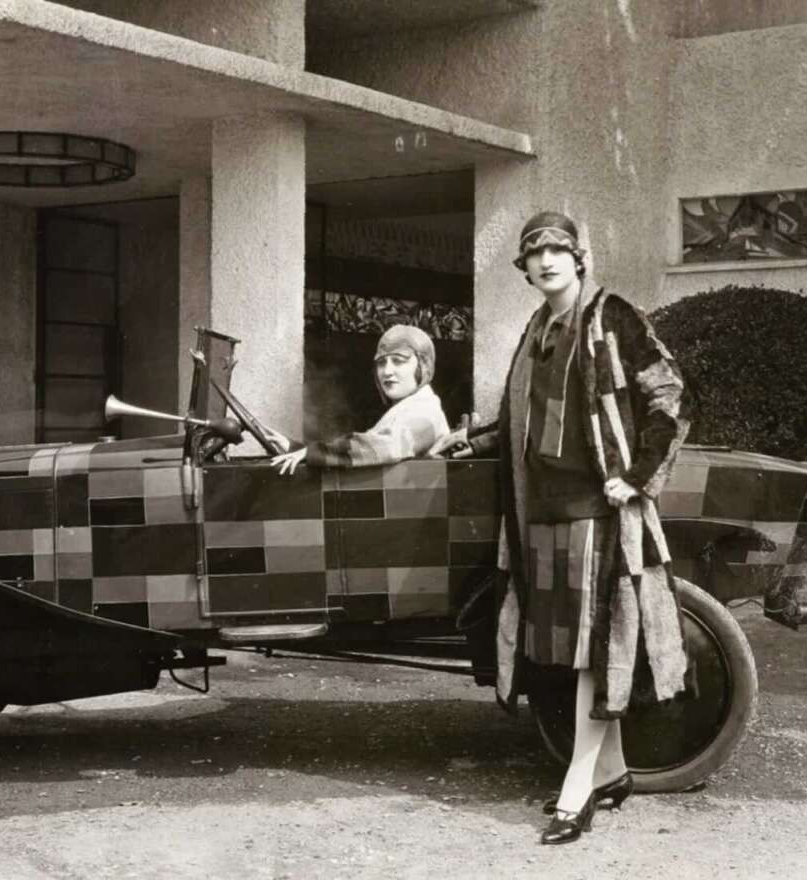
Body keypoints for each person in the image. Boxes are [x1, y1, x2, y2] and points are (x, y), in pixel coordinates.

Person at [437, 211, 691, 845]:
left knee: (592, 654)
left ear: (580, 257)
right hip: (540, 515)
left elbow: (673, 397)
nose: (547, 261)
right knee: (565, 654)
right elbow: (526, 418)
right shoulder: (537, 327)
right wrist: (472, 441)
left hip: (596, 515)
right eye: (534, 254)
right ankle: (612, 774)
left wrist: (636, 475)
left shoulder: (612, 317)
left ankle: (576, 789)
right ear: (523, 269)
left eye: (558, 250)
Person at [270, 324, 449, 474]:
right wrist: (296, 449)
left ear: (423, 366)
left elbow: (381, 448)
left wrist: (312, 452)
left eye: (398, 361)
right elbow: (367, 455)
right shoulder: (409, 407)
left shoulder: (425, 412)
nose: (387, 371)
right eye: (381, 362)